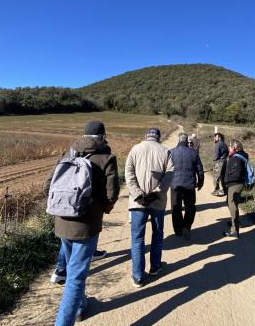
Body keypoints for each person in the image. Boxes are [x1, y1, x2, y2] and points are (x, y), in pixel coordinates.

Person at [43, 121, 120, 324]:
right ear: (103, 136)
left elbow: (47, 185)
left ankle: (80, 306)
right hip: (87, 226)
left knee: (71, 269)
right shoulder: (107, 158)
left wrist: (61, 207)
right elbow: (112, 194)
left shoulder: (68, 153)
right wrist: (101, 210)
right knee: (75, 278)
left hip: (62, 222)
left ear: (84, 136)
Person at [125, 127, 174, 288]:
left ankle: (138, 276)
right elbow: (169, 175)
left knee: (137, 237)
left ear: (145, 136)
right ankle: (155, 266)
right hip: (158, 202)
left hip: (137, 202)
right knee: (157, 234)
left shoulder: (135, 149)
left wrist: (138, 194)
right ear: (158, 137)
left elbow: (129, 174)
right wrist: (157, 192)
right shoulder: (165, 151)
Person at [169, 132, 204, 240]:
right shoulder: (193, 152)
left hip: (175, 185)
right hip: (189, 185)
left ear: (178, 140)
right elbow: (200, 170)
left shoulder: (171, 152)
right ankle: (186, 227)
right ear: (187, 140)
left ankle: (178, 230)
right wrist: (200, 182)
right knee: (190, 207)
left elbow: (166, 168)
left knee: (176, 208)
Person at [221, 139, 249, 238]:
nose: (228, 147)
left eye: (229, 146)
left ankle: (234, 230)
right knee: (232, 204)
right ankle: (236, 222)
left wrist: (227, 181)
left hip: (234, 184)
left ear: (234, 147)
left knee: (232, 206)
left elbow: (237, 173)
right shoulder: (240, 156)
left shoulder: (236, 158)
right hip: (238, 184)